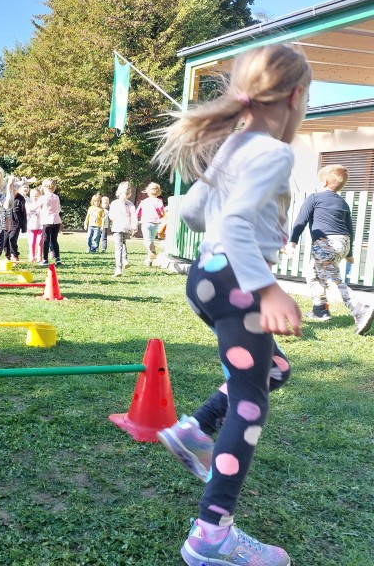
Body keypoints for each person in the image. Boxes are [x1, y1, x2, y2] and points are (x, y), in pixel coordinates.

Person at [153, 43, 311, 566]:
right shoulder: (275, 151)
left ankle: (195, 428)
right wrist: (268, 288)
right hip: (237, 282)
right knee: (250, 405)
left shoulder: (231, 146)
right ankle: (211, 535)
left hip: (205, 277)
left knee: (274, 369)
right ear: (295, 97)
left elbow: (192, 213)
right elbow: (237, 222)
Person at [287, 164, 373, 334]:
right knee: (313, 274)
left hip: (326, 243)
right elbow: (349, 229)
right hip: (342, 242)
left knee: (331, 279)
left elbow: (300, 221)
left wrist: (292, 243)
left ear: (325, 182)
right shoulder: (343, 203)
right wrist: (349, 253)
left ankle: (359, 309)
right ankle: (320, 309)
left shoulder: (314, 198)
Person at [108, 182, 137, 276]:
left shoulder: (114, 203)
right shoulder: (131, 204)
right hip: (127, 227)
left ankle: (118, 268)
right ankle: (125, 260)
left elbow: (111, 216)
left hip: (117, 227)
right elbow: (134, 216)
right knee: (123, 243)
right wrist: (134, 227)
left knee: (118, 247)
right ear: (129, 193)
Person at [136, 182, 166, 266]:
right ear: (158, 192)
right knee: (151, 240)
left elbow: (137, 212)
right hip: (155, 223)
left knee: (147, 240)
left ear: (148, 191)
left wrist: (136, 220)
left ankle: (152, 251)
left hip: (145, 222)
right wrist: (162, 218)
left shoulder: (144, 202)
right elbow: (162, 212)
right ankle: (149, 259)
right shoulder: (159, 201)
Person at [38, 178, 62, 266]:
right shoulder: (56, 197)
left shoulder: (43, 197)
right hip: (56, 221)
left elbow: (36, 206)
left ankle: (45, 259)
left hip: (47, 221)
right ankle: (58, 259)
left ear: (44, 187)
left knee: (46, 240)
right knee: (54, 240)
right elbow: (58, 208)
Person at [8, 182, 28, 262]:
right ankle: (8, 256)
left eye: (14, 190)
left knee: (12, 238)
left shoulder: (21, 199)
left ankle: (15, 255)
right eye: (11, 190)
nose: (13, 191)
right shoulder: (7, 197)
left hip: (16, 222)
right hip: (7, 222)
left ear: (18, 189)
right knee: (5, 241)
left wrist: (24, 227)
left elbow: (23, 213)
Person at [26, 187, 43, 263]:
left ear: (40, 196)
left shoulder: (42, 205)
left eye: (36, 196)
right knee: (32, 242)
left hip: (40, 226)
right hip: (32, 226)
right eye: (32, 196)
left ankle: (40, 256)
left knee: (40, 241)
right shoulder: (29, 205)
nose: (34, 197)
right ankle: (32, 256)